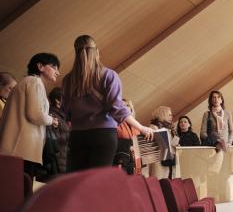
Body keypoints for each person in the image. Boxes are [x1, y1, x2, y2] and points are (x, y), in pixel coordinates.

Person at [62, 35, 152, 172]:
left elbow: (66, 112)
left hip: (78, 136)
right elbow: (118, 109)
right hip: (103, 135)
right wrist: (141, 127)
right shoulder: (108, 76)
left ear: (76, 53)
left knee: (78, 182)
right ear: (97, 52)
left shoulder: (68, 80)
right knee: (98, 181)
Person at [0, 53, 60, 179]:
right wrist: (52, 120)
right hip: (22, 148)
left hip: (17, 147)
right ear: (40, 66)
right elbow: (35, 114)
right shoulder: (35, 82)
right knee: (19, 190)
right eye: (54, 67)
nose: (57, 72)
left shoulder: (28, 81)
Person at [201, 90, 233, 202]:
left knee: (224, 178)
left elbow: (231, 131)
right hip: (213, 151)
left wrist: (228, 143)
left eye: (218, 97)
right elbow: (203, 133)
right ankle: (213, 205)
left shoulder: (227, 113)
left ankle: (225, 204)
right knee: (213, 177)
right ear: (210, 100)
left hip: (226, 150)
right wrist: (215, 141)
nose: (216, 99)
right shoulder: (207, 114)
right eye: (213, 97)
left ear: (221, 99)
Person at [44, 87, 70, 177]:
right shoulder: (52, 116)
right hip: (58, 161)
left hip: (64, 159)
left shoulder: (63, 116)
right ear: (57, 101)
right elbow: (54, 139)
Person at [149, 106, 180, 179]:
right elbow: (159, 145)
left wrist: (176, 144)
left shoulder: (169, 128)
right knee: (160, 183)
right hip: (160, 162)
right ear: (162, 114)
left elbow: (171, 143)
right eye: (169, 115)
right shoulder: (154, 127)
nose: (171, 117)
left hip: (169, 160)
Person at [114, 98, 140, 174]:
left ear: (131, 108)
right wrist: (129, 145)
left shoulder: (136, 125)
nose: (126, 107)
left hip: (135, 159)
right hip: (121, 160)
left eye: (128, 105)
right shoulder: (116, 123)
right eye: (123, 106)